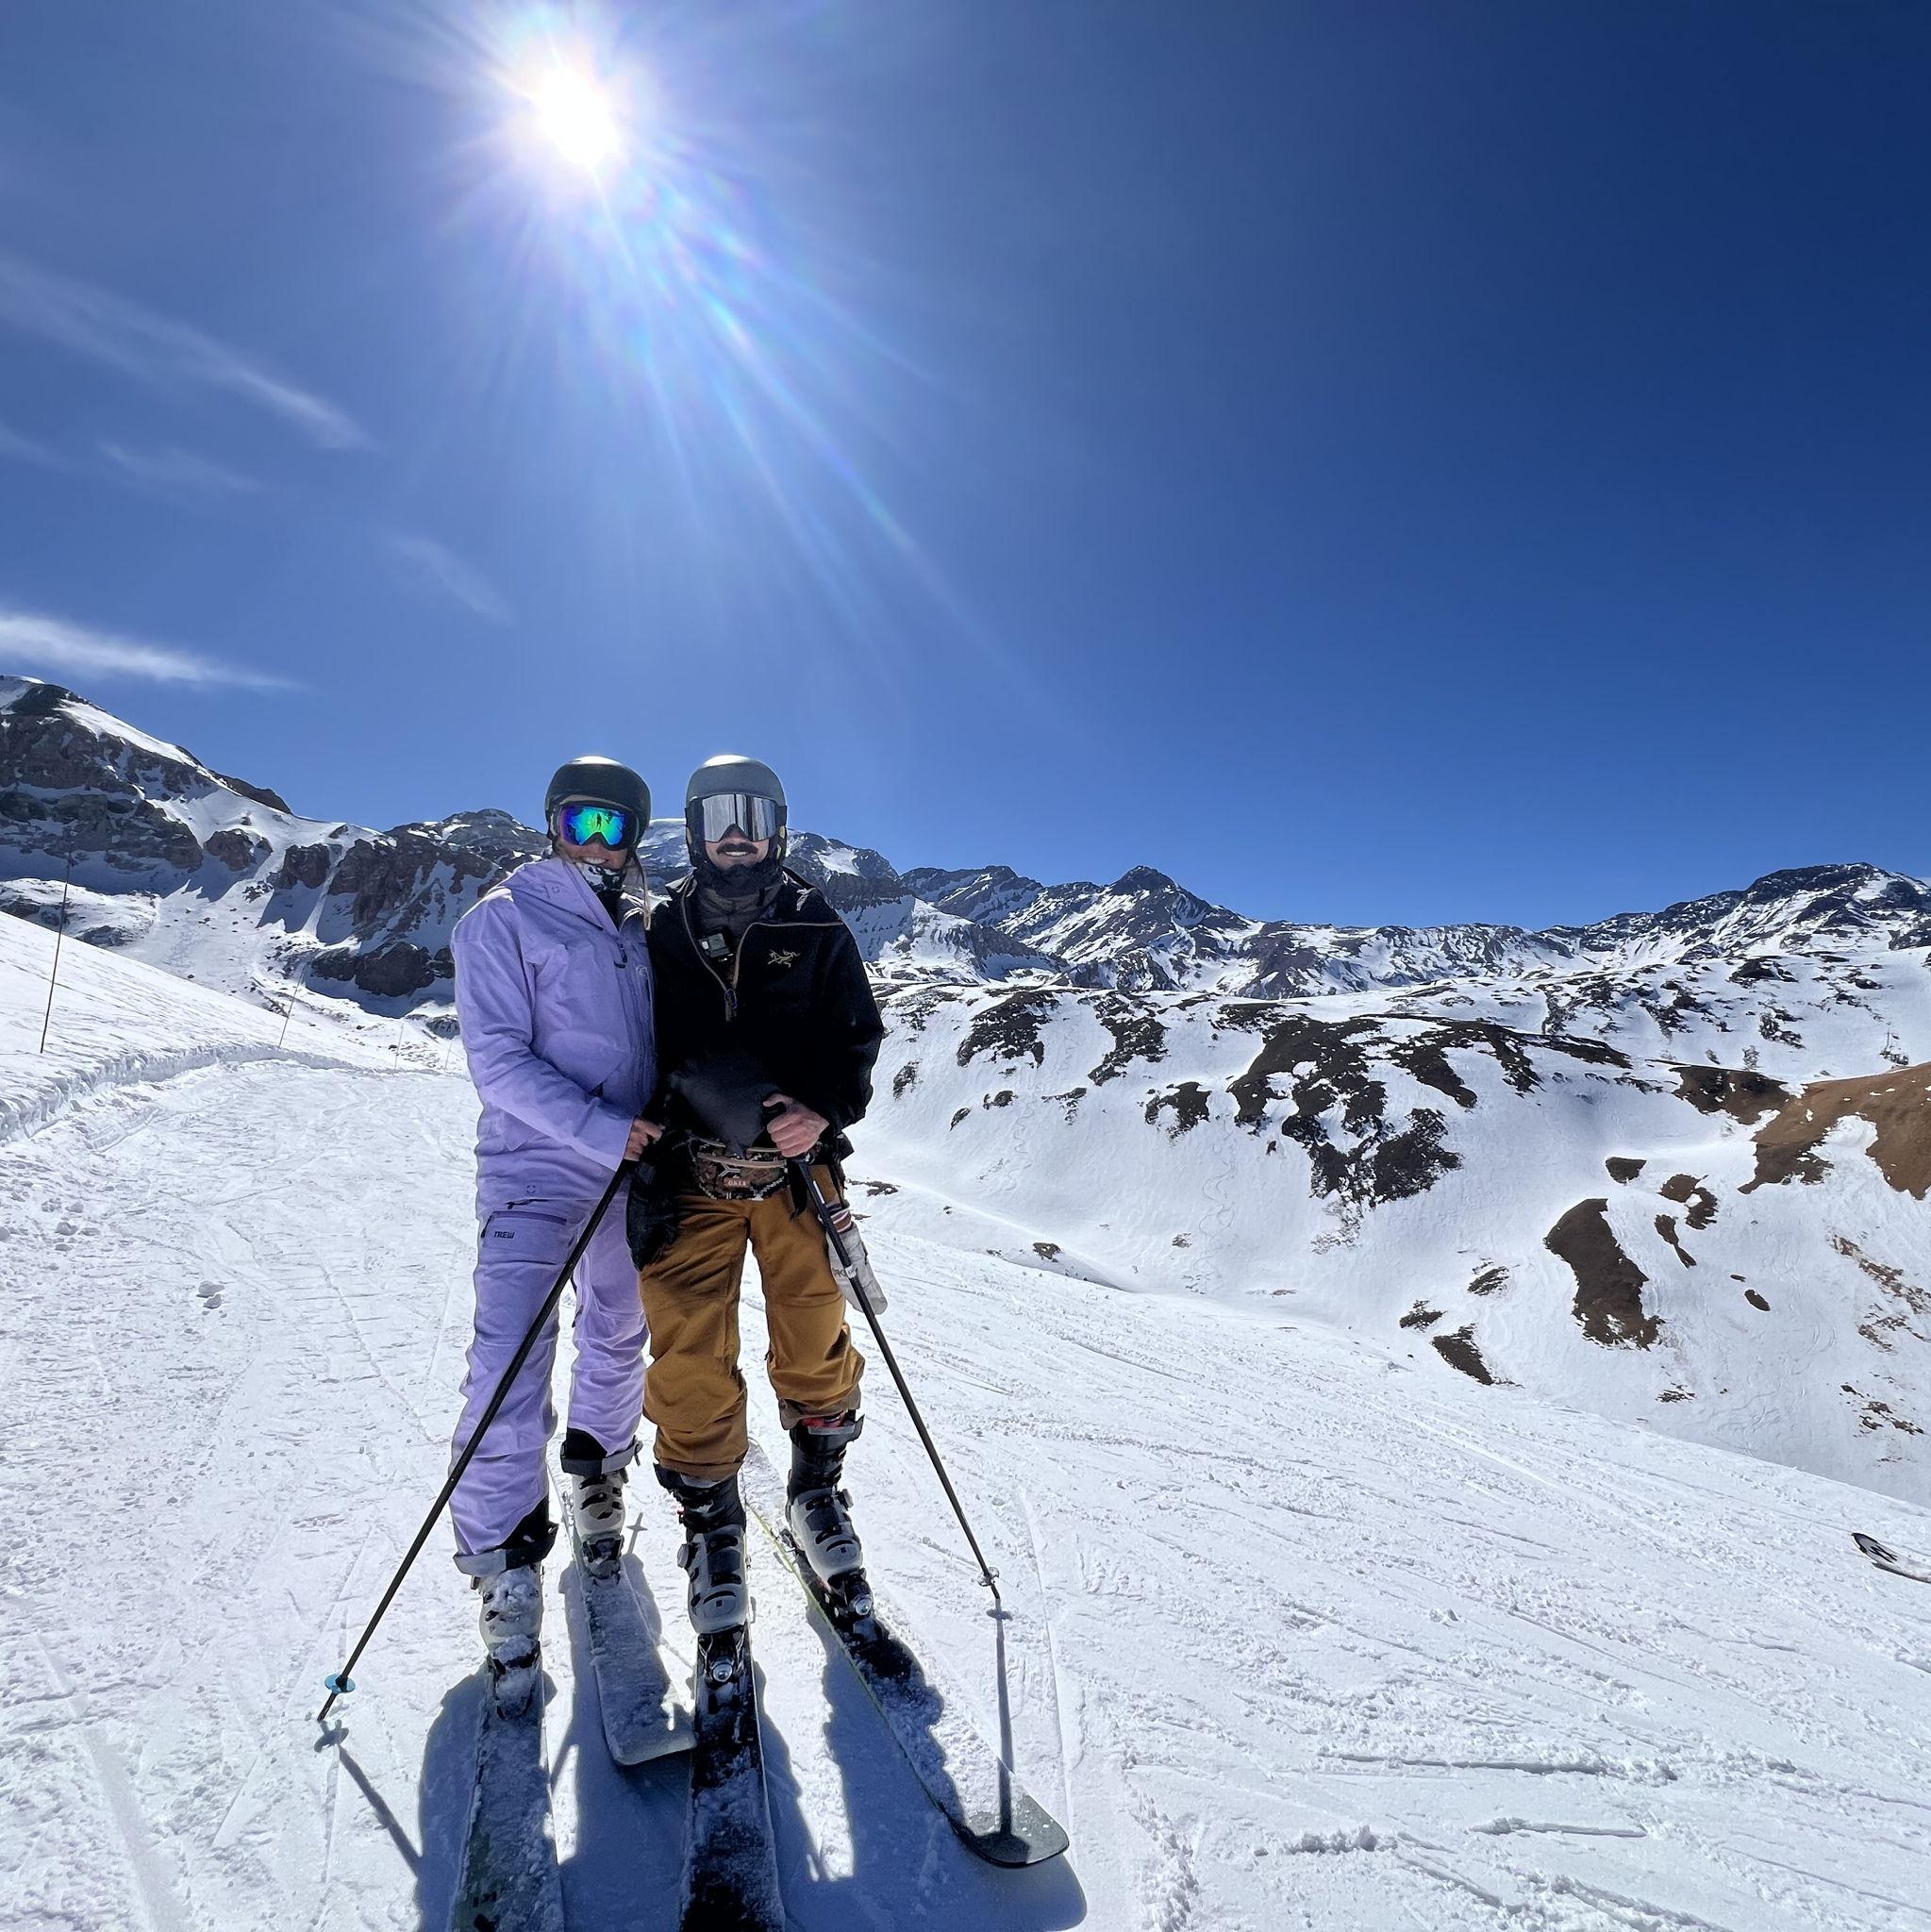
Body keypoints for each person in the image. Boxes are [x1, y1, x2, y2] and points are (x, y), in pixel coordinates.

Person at [628, 754, 885, 1639]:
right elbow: (633, 1037)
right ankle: (709, 1516)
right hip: (687, 1170)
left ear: (778, 829)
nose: (733, 835)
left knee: (814, 1329)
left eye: (752, 817)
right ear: (693, 832)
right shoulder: (660, 927)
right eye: (714, 819)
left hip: (796, 1174)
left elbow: (855, 1039)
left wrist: (822, 1110)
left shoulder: (817, 926)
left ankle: (817, 1487)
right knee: (687, 1346)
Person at [447, 754, 660, 1699]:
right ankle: (502, 1561)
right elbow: (496, 1062)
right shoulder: (501, 919)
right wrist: (605, 1130)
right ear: (551, 823)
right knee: (508, 1363)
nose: (599, 843)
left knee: (618, 1331)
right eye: (583, 822)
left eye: (617, 828)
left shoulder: (642, 932)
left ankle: (597, 1477)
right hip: (535, 1171)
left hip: (628, 1173)